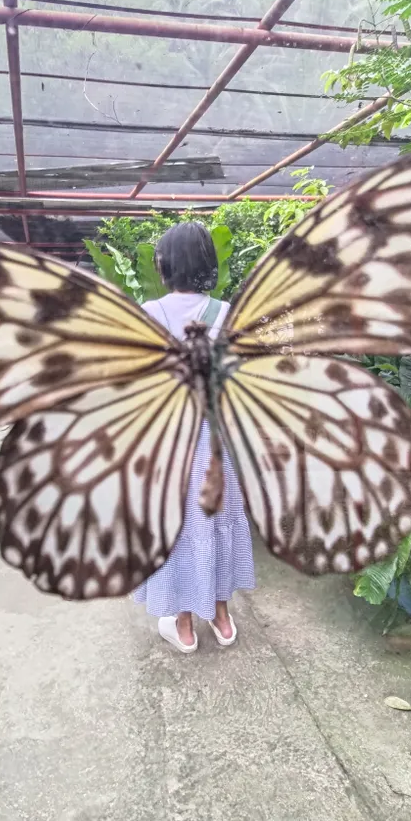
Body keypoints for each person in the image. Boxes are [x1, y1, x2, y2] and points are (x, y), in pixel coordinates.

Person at [133, 221, 255, 653]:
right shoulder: (228, 314)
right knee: (217, 523)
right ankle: (222, 620)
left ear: (165, 265)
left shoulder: (148, 315)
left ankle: (183, 627)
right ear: (207, 264)